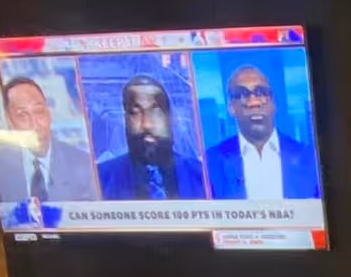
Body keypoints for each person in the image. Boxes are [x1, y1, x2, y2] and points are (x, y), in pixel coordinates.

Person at [206, 63, 321, 201]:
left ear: (273, 103)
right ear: (231, 108)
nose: (254, 102)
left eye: (261, 92)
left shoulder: (310, 157)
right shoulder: (211, 162)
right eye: (243, 94)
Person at [0, 76, 97, 204]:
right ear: (9, 120)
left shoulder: (84, 165)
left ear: (49, 114)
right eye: (22, 115)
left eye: (38, 112)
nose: (34, 124)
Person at [96, 75, 206, 201]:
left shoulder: (202, 176)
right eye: (135, 113)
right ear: (125, 120)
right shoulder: (100, 179)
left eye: (156, 112)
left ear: (170, 118)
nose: (147, 124)